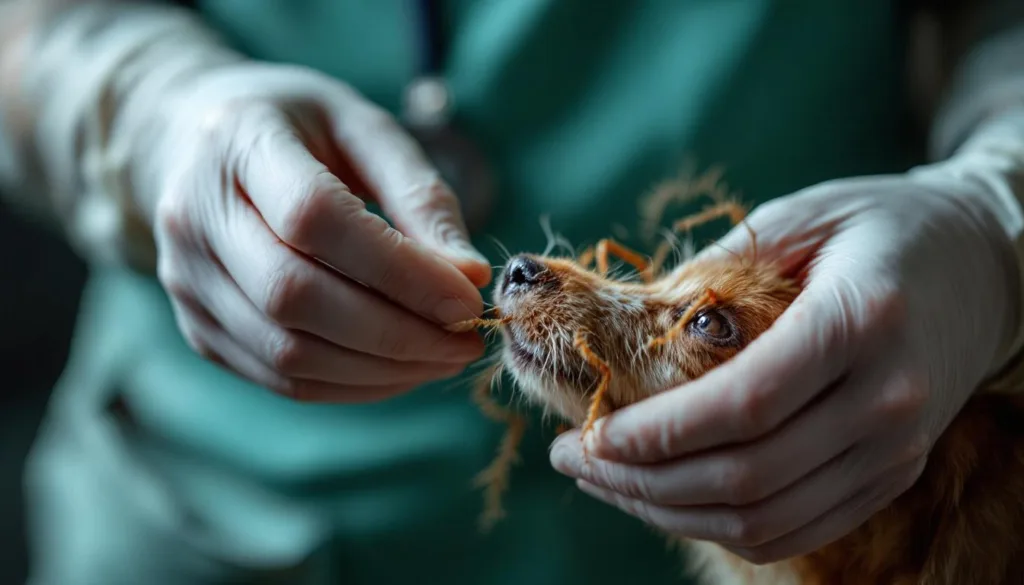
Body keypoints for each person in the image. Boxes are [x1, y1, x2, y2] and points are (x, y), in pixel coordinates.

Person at [2, 0, 1023, 583]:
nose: (535, 272)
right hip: (200, 513)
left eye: (708, 323)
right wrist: (142, 108)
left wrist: (997, 210)